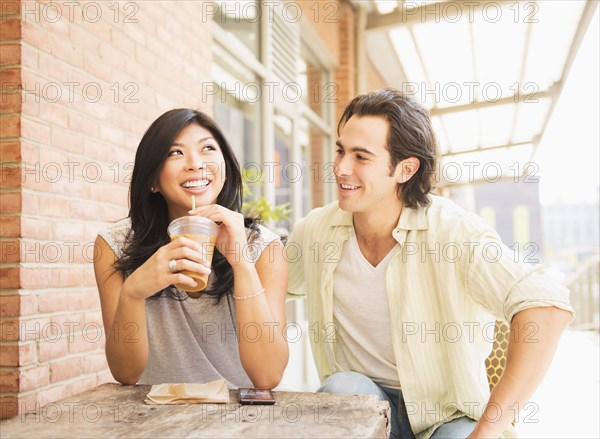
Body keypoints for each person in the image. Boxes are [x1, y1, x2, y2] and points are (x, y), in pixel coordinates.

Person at [287, 89, 574, 439]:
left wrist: (485, 432)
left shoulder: (455, 232)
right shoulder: (315, 232)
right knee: (339, 389)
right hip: (367, 409)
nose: (340, 167)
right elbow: (261, 283)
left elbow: (547, 308)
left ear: (406, 169)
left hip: (448, 417)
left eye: (361, 157)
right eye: (340, 150)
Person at [94, 109, 288, 389]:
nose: (195, 164)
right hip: (154, 416)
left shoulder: (263, 248)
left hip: (240, 418)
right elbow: (126, 373)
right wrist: (133, 293)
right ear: (152, 180)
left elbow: (267, 376)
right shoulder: (115, 246)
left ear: (226, 167)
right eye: (175, 153)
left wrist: (241, 263)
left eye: (208, 148)